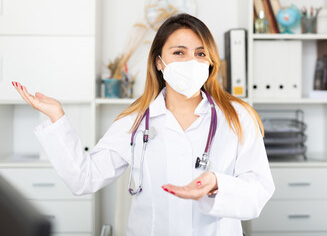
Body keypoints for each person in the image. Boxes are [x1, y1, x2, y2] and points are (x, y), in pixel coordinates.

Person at [12, 13, 274, 236]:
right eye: (179, 53)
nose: (191, 62)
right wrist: (57, 117)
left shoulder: (238, 117)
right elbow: (84, 179)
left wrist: (218, 184)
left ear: (210, 62)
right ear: (159, 62)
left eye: (200, 53)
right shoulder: (135, 120)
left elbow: (259, 190)